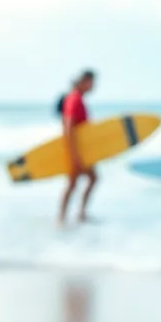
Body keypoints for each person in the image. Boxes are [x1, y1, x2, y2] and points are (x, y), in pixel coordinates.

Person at [57, 69, 98, 225]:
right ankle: (63, 218)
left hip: (80, 150)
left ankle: (77, 215)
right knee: (74, 183)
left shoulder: (77, 98)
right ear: (84, 81)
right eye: (91, 83)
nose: (93, 86)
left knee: (88, 180)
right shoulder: (74, 99)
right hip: (75, 150)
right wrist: (74, 156)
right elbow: (68, 126)